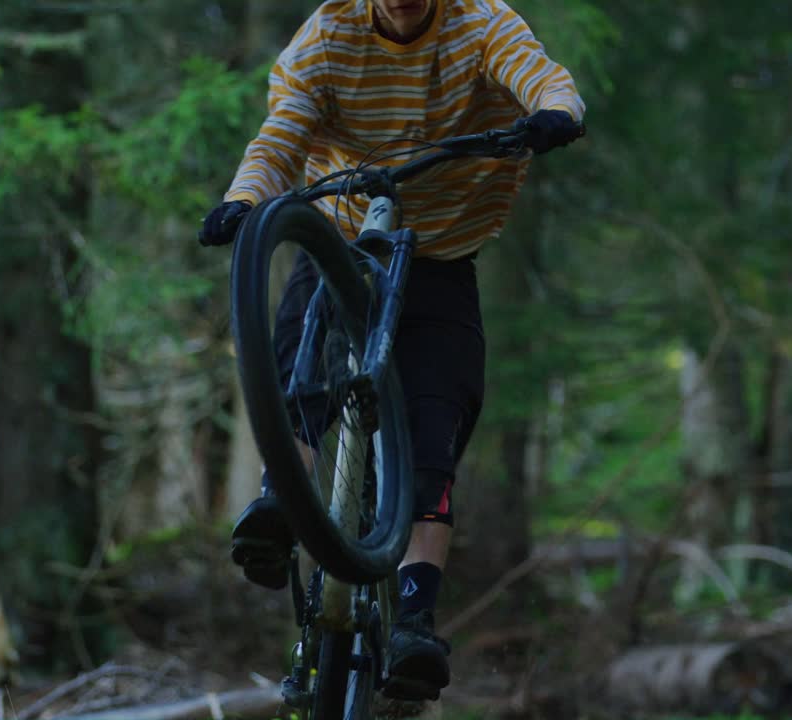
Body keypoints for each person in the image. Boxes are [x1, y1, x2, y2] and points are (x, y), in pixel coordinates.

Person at [198, 0, 585, 702]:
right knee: (297, 364)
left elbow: (544, 79)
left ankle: (414, 617)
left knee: (436, 420)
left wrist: (553, 114)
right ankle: (278, 500)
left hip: (441, 252)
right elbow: (281, 136)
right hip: (339, 230)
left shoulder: (480, 22)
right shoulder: (330, 35)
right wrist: (245, 201)